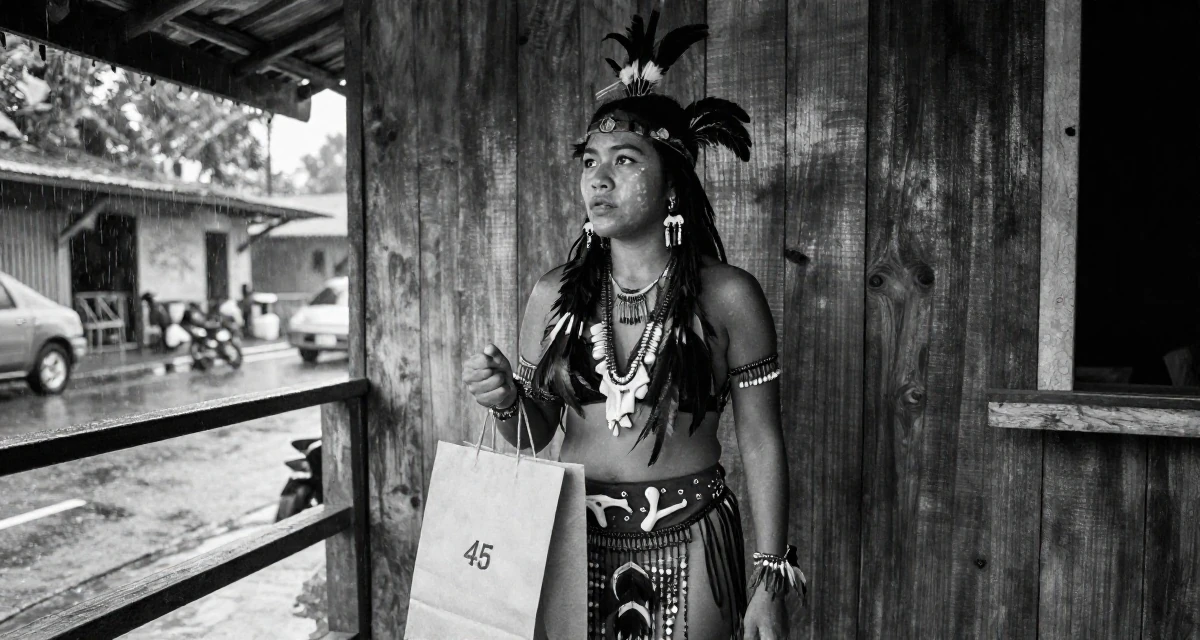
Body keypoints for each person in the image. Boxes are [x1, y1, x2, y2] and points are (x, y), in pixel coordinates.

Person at [462, 13, 804, 640]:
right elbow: (534, 434)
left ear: (672, 185)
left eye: (625, 160)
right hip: (569, 541)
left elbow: (761, 440)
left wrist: (770, 576)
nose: (598, 176)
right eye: (590, 160)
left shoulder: (729, 297)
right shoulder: (553, 297)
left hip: (692, 537)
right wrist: (507, 398)